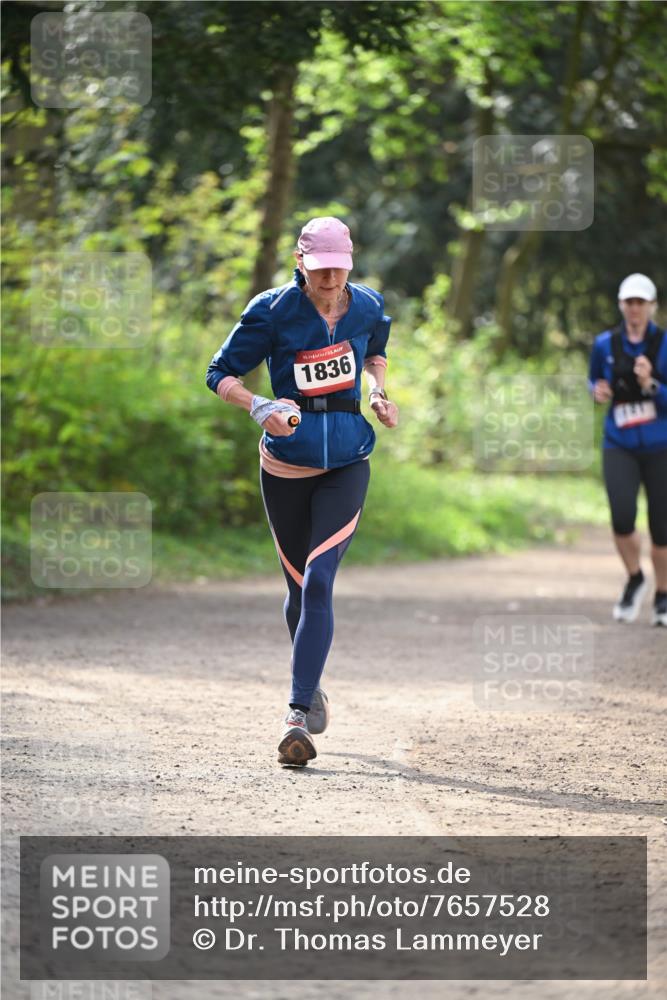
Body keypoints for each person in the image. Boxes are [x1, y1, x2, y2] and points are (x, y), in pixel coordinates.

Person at [206, 217, 399, 764]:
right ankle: (310, 686)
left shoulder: (367, 304)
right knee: (297, 590)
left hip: (347, 462)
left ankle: (295, 716)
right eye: (319, 270)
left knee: (319, 581)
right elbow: (219, 373)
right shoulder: (272, 310)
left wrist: (378, 392)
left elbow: (375, 352)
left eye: (339, 269)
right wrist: (259, 406)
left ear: (351, 263)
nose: (330, 279)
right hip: (286, 466)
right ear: (299, 262)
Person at [589, 272, 667, 626]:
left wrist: (651, 384)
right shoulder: (604, 344)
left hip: (660, 445)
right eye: (629, 302)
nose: (635, 308)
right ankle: (635, 577)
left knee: (662, 528)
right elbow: (593, 380)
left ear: (652, 306)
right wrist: (597, 392)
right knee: (622, 519)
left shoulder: (664, 344)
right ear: (621, 305)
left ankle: (662, 594)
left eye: (641, 302)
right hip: (619, 442)